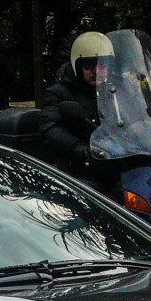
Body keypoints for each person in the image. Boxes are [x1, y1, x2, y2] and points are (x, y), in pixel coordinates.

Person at [38, 31, 118, 192]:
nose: (96, 70)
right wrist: (78, 148)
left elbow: (137, 116)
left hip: (119, 164)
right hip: (80, 171)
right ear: (77, 65)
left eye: (102, 64)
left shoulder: (117, 91)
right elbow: (50, 129)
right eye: (89, 65)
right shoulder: (59, 93)